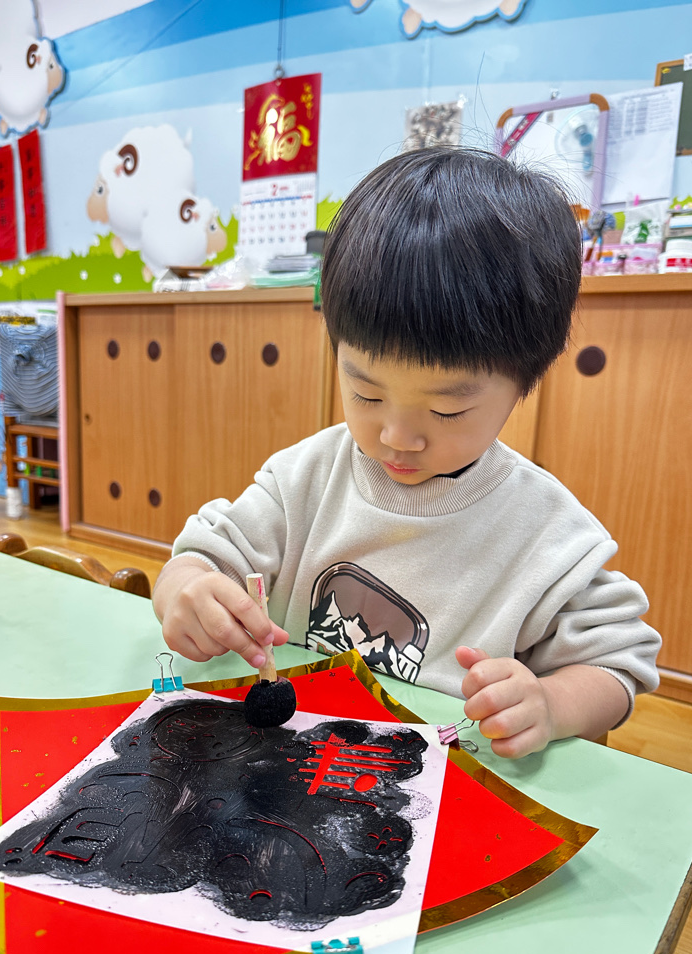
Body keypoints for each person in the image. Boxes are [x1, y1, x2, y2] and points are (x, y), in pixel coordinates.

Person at [153, 146, 661, 759]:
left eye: (446, 411)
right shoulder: (305, 480)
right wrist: (188, 590)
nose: (397, 436)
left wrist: (552, 704)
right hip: (280, 766)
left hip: (436, 783)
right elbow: (203, 559)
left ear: (523, 385)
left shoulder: (545, 535)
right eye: (365, 393)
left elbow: (618, 661)